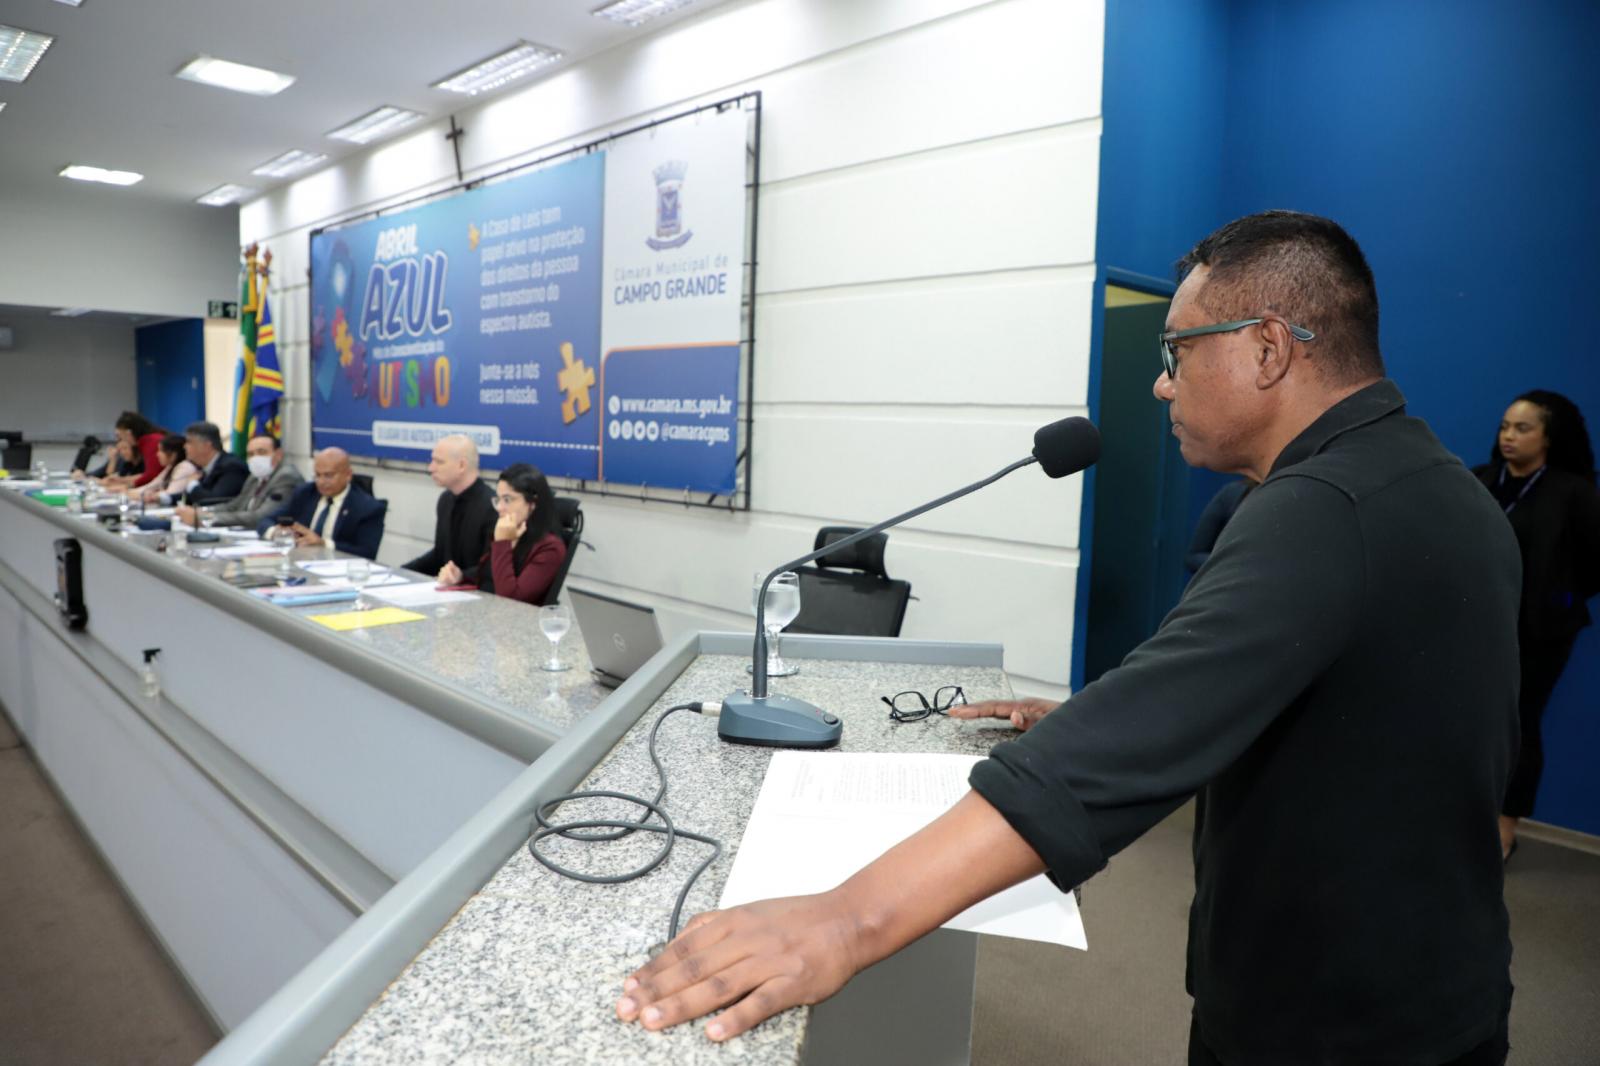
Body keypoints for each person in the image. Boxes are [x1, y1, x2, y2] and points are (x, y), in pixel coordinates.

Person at [615, 212, 1521, 1066]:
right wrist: (1093, 710)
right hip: (1439, 988)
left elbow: (1134, 739)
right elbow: (1350, 719)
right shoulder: (1439, 486)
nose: (1162, 381)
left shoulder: (1321, 510)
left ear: (1268, 347)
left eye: (1178, 350)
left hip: (1331, 1022)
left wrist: (843, 921)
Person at [1474, 390, 1600, 860]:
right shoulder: (1481, 480)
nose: (1509, 436)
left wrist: (1557, 599)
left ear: (1549, 437)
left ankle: (1505, 827)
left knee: (1519, 723)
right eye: (1505, 426)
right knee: (1468, 720)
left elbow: (1593, 567)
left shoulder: (1573, 492)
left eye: (1522, 428)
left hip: (1539, 635)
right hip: (1477, 627)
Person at [258, 447, 386, 560]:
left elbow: (367, 553)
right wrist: (276, 532)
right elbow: (266, 521)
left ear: (348, 475)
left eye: (328, 475)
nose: (321, 482)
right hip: (300, 563)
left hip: (339, 570)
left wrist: (324, 544)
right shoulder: (306, 493)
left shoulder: (368, 508)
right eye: (317, 475)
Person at [404, 434, 497, 586]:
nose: (431, 468)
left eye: (439, 462)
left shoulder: (492, 507)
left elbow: (493, 567)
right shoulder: (445, 500)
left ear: (462, 465)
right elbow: (440, 555)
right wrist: (400, 572)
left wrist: (462, 576)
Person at [478, 462, 566, 605]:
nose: (499, 507)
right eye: (498, 499)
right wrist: (461, 576)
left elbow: (511, 599)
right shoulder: (511, 531)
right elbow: (488, 576)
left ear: (532, 504)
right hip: (487, 608)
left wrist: (502, 544)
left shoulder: (550, 548)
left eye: (507, 500)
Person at [179, 433, 302, 529]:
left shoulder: (286, 477)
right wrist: (201, 511)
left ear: (278, 454)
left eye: (261, 452)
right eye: (251, 454)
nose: (255, 458)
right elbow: (235, 505)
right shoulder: (255, 476)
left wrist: (205, 518)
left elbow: (260, 517)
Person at [178, 421, 249, 506]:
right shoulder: (204, 467)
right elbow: (191, 497)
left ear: (206, 445)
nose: (184, 446)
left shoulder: (232, 467)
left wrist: (192, 485)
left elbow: (216, 501)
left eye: (189, 442)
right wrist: (167, 498)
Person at [95, 412, 164, 491]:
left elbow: (151, 475)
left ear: (129, 433)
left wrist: (127, 486)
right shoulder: (148, 440)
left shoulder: (151, 441)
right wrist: (122, 481)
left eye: (119, 436)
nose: (120, 440)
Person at [136, 433, 201, 504]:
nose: (157, 454)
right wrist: (129, 492)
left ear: (173, 455)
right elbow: (151, 486)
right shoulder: (170, 467)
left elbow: (170, 494)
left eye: (161, 450)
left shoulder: (185, 467)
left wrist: (149, 495)